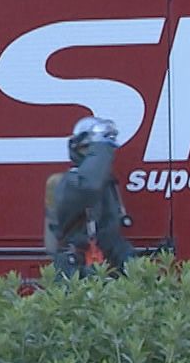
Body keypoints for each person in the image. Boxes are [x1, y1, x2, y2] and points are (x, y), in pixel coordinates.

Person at [43, 116, 135, 279]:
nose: (105, 158)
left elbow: (109, 236)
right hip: (73, 273)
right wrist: (100, 147)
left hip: (102, 270)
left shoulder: (106, 185)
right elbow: (88, 185)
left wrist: (133, 266)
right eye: (91, 150)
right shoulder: (70, 184)